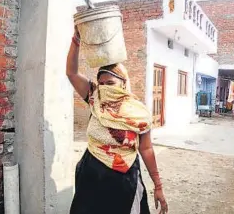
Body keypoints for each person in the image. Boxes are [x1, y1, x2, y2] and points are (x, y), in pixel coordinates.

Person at [67, 27, 168, 214]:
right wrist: (77, 39)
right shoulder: (94, 97)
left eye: (111, 84)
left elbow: (146, 149)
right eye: (102, 84)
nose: (105, 89)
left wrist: (158, 185)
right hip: (91, 175)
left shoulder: (138, 113)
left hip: (124, 179)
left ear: (123, 83)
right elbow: (72, 73)